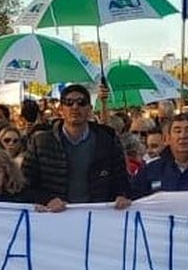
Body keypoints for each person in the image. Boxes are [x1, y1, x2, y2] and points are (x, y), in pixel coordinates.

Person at [22, 82, 131, 212]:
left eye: (81, 102)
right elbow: (25, 183)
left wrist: (122, 195)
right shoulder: (40, 142)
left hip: (98, 216)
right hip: (56, 216)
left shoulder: (107, 139)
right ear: (61, 109)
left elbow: (121, 179)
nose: (75, 107)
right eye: (69, 102)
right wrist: (47, 199)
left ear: (90, 108)